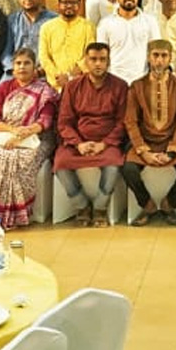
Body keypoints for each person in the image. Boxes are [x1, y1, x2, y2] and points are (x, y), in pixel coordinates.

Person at [0, 48, 58, 229]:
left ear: (35, 67)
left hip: (38, 138)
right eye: (18, 63)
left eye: (27, 63)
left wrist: (22, 134)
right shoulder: (4, 87)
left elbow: (45, 121)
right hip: (7, 134)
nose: (22, 67)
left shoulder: (45, 90)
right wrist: (13, 131)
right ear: (12, 67)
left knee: (18, 159)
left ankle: (16, 215)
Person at [122, 40, 176, 226]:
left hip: (172, 143)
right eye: (155, 55)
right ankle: (147, 205)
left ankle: (168, 205)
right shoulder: (137, 86)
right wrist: (143, 151)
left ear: (170, 58)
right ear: (148, 57)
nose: (159, 60)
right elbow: (130, 121)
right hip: (145, 142)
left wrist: (171, 151)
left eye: (164, 56)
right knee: (128, 170)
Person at [55, 43, 128, 226]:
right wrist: (78, 143)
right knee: (60, 163)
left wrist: (104, 143)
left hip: (107, 143)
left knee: (113, 165)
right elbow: (64, 121)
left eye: (102, 59)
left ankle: (100, 208)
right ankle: (81, 206)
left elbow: (122, 122)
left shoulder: (120, 86)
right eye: (93, 59)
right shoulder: (72, 87)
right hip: (78, 142)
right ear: (86, 62)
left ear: (108, 62)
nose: (98, 64)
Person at [95, 0, 161, 84]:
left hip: (141, 82)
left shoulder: (150, 21)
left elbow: (156, 52)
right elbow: (101, 56)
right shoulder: (105, 23)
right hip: (113, 83)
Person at [38, 0, 95, 92]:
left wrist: (70, 76)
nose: (69, 6)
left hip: (80, 84)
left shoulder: (88, 27)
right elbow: (44, 57)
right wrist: (58, 76)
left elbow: (90, 55)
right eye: (65, 3)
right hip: (54, 86)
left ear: (79, 4)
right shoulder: (47, 28)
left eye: (73, 3)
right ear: (58, 4)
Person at [1, 0, 56, 80]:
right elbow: (6, 52)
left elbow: (57, 51)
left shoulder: (53, 20)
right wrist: (14, 69)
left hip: (43, 73)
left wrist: (41, 71)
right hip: (16, 72)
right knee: (2, 88)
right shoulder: (12, 20)